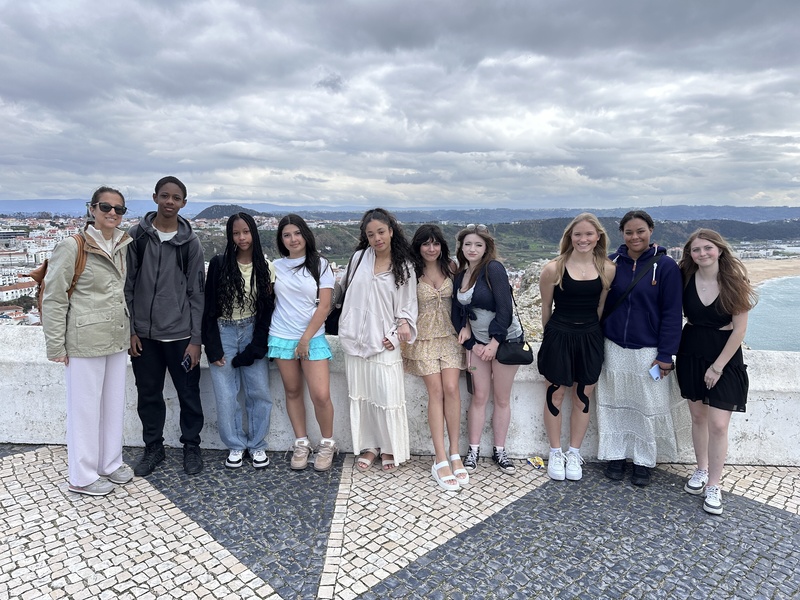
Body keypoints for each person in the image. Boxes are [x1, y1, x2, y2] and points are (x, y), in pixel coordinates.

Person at [42, 187, 134, 496]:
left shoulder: (121, 243)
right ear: (92, 209)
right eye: (106, 206)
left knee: (112, 405)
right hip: (83, 338)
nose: (112, 213)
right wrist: (56, 345)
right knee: (84, 410)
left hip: (115, 336)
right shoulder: (73, 246)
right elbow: (54, 297)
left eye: (119, 209)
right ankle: (81, 475)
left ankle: (109, 462)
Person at [595, 210, 684, 486]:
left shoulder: (666, 266)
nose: (635, 236)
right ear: (622, 233)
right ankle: (616, 456)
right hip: (613, 347)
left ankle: (644, 461)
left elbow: (672, 313)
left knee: (646, 406)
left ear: (651, 231)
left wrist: (666, 354)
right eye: (629, 232)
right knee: (614, 405)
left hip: (648, 349)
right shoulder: (611, 263)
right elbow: (600, 306)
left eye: (640, 231)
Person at [125, 176, 206, 476]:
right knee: (148, 394)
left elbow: (197, 294)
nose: (169, 202)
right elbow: (128, 286)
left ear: (184, 203)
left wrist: (195, 340)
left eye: (176, 198)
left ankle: (191, 447)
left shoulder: (191, 243)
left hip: (180, 335)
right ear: (155, 198)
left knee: (189, 393)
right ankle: (153, 448)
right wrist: (131, 329)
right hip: (144, 336)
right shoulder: (138, 236)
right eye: (165, 196)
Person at [676, 229, 756, 515]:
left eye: (707, 248)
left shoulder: (735, 281)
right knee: (698, 417)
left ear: (719, 249)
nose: (702, 254)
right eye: (696, 250)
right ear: (690, 254)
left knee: (719, 425)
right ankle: (701, 469)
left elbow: (740, 329)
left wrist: (718, 367)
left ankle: (714, 483)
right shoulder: (685, 278)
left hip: (725, 356)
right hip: (691, 351)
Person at [339, 208, 418, 472]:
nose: (377, 238)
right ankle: (371, 446)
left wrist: (395, 336)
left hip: (384, 342)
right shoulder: (358, 258)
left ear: (391, 231)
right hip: (355, 342)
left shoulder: (404, 266)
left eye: (381, 232)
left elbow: (408, 307)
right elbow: (342, 291)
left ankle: (389, 447)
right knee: (363, 396)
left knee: (386, 395)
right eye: (371, 234)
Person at [538, 214, 615, 481]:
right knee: (555, 394)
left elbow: (601, 307)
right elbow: (546, 308)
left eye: (588, 234)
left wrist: (593, 335)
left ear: (598, 237)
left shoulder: (607, 268)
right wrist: (550, 339)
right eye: (577, 234)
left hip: (590, 335)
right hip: (559, 334)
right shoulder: (553, 269)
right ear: (569, 237)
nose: (583, 239)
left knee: (583, 396)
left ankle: (574, 452)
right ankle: (555, 451)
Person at [202, 213, 274, 470]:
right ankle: (235, 444)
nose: (242, 238)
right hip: (224, 330)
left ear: (254, 233)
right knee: (225, 394)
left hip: (252, 328)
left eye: (246, 232)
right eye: (236, 233)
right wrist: (212, 346)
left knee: (259, 392)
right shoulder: (220, 264)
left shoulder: (265, 267)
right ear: (230, 236)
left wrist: (257, 345)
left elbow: (266, 310)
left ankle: (257, 445)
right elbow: (209, 307)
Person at [451, 224, 521, 475]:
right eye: (468, 244)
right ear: (461, 247)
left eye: (478, 245)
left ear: (486, 248)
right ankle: (473, 450)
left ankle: (500, 450)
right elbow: (458, 311)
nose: (472, 249)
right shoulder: (461, 274)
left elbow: (505, 309)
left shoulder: (493, 269)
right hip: (478, 346)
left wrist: (494, 343)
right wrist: (472, 342)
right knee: (478, 397)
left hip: (502, 344)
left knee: (501, 398)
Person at [269, 214, 338, 471]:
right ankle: (301, 442)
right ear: (281, 239)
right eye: (287, 235)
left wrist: (306, 338)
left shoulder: (320, 265)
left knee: (320, 395)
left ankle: (327, 442)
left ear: (305, 235)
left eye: (297, 233)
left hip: (312, 337)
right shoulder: (276, 266)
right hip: (281, 335)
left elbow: (326, 305)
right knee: (293, 391)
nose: (293, 239)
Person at [402, 224, 467, 491]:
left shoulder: (451, 268)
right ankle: (439, 457)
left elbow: (466, 301)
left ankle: (454, 452)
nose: (431, 249)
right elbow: (400, 303)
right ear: (418, 246)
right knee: (436, 391)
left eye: (436, 243)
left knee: (452, 388)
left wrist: (469, 326)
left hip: (450, 337)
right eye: (426, 244)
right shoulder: (410, 271)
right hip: (423, 338)